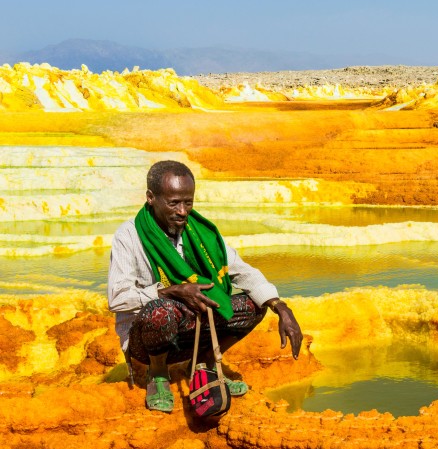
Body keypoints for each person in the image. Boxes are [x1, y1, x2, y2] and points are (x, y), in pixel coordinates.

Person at [108, 160, 303, 413]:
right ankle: (158, 375)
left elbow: (242, 271)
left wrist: (281, 307)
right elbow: (117, 298)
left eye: (188, 202)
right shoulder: (129, 236)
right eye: (173, 203)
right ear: (151, 198)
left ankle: (203, 365)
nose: (182, 211)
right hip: (147, 341)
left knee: (255, 304)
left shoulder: (201, 233)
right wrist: (170, 291)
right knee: (161, 310)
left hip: (191, 329)